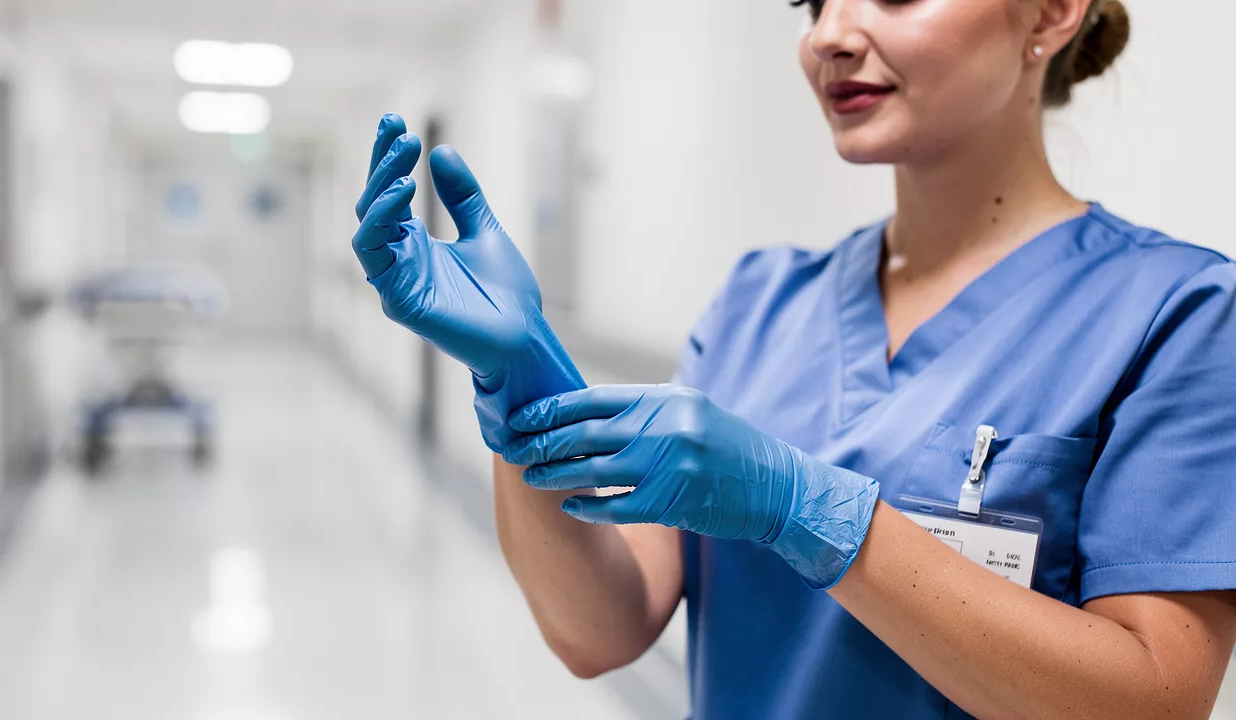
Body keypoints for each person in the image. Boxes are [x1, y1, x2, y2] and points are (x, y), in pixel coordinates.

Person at [350, 0, 1236, 717]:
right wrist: (523, 376)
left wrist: (806, 509)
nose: (830, 35)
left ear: (1049, 15)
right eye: (813, 2)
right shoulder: (759, 302)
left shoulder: (1175, 313)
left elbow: (1154, 699)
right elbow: (599, 631)